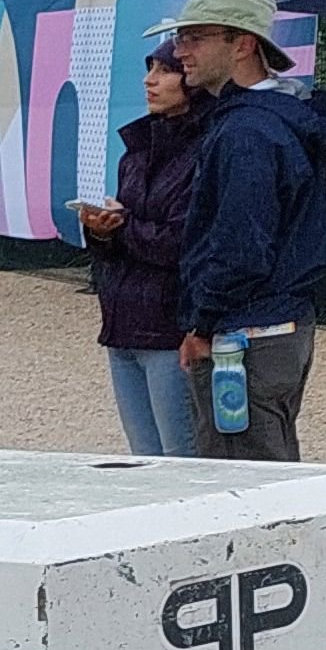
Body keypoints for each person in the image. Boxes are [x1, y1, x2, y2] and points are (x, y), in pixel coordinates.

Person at [162, 0, 326, 463]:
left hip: (245, 337)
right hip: (274, 326)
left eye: (195, 38)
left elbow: (241, 246)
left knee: (248, 492)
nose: (180, 52)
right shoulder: (269, 118)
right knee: (267, 476)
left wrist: (203, 322)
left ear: (243, 45)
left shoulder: (247, 131)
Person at [75, 44, 206, 457]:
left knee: (182, 462)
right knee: (144, 462)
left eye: (165, 71)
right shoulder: (136, 151)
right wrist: (102, 232)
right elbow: (124, 245)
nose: (150, 80)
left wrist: (126, 225)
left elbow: (180, 242)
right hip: (123, 325)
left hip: (171, 330)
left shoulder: (205, 150)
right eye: (149, 69)